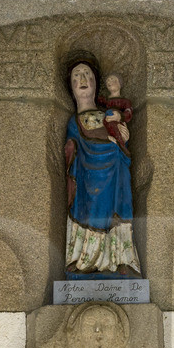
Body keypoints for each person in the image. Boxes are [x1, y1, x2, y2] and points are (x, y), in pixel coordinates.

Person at [63, 58, 141, 277]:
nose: (83, 79)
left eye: (87, 74)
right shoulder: (74, 121)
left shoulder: (107, 114)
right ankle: (86, 258)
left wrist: (123, 139)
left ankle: (121, 259)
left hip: (115, 172)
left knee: (116, 211)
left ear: (96, 83)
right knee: (91, 212)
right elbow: (70, 150)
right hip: (87, 178)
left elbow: (120, 139)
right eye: (77, 75)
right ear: (71, 86)